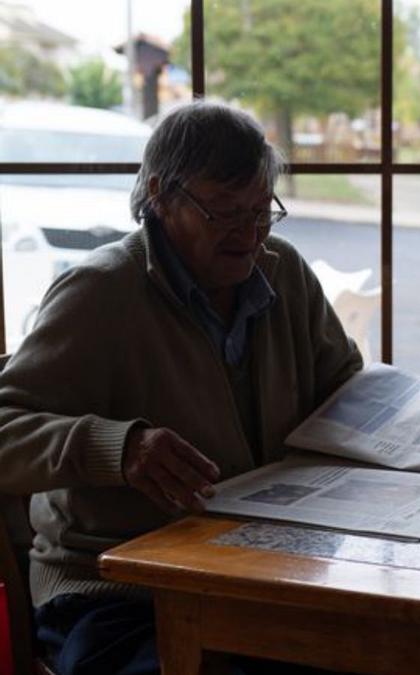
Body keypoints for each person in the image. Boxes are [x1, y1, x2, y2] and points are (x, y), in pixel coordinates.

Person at [0, 101, 362, 674]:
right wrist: (119, 449)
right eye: (224, 212)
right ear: (160, 198)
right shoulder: (100, 293)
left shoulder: (283, 272)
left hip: (258, 573)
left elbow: (346, 391)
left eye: (262, 210)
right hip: (112, 590)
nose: (250, 234)